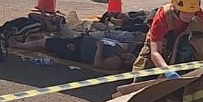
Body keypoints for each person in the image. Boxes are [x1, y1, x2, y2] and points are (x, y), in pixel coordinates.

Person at [9, 35, 140, 70]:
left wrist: (99, 47)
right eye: (131, 56)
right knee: (48, 42)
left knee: (46, 43)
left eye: (129, 60)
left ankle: (18, 45)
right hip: (80, 43)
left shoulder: (116, 60)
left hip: (77, 50)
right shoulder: (120, 50)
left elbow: (98, 64)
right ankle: (26, 43)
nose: (128, 56)